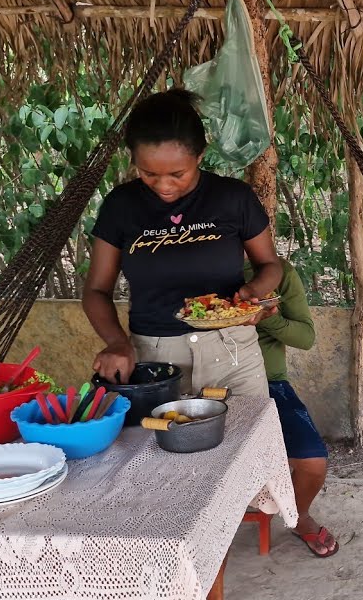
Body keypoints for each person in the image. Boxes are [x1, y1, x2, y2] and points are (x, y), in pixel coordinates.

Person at [83, 89, 281, 400]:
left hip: (232, 355)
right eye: (148, 173)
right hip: (154, 360)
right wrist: (117, 342)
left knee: (249, 432)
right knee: (158, 432)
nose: (164, 186)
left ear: (200, 156)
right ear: (133, 159)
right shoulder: (121, 206)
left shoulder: (233, 198)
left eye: (178, 174)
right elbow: (96, 290)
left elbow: (270, 265)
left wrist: (253, 295)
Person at [244, 257, 338, 558]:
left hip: (271, 384)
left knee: (313, 461)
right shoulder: (196, 265)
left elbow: (305, 338)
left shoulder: (278, 273)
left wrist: (268, 317)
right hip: (205, 384)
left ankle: (300, 515)